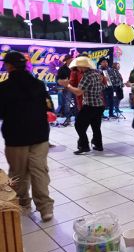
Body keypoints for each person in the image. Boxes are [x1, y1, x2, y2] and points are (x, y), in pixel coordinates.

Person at [0, 51, 54, 222]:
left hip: (16, 138)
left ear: (9, 66)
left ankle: (23, 203)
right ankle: (45, 209)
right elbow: (49, 106)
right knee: (39, 171)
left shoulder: (3, 88)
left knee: (18, 173)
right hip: (40, 136)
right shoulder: (39, 84)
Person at [58, 56, 105, 154]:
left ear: (84, 66)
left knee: (78, 125)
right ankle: (98, 145)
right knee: (96, 126)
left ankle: (84, 146)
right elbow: (104, 85)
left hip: (90, 105)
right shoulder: (97, 73)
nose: (78, 69)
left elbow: (78, 92)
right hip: (99, 104)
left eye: (79, 67)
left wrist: (67, 85)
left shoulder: (87, 76)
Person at [56, 54, 73, 124]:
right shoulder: (62, 68)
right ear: (66, 60)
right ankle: (68, 117)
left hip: (76, 86)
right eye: (69, 59)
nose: (71, 60)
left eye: (71, 59)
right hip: (67, 87)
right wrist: (64, 81)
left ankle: (78, 116)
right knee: (67, 103)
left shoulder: (75, 67)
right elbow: (58, 79)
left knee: (78, 102)